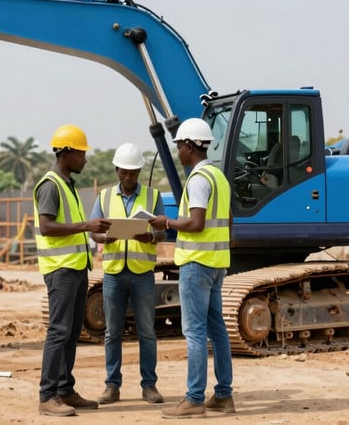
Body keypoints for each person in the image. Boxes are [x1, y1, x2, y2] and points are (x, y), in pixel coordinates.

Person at [149, 118, 235, 419]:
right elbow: (229, 220)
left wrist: (166, 223)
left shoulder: (198, 178)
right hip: (215, 264)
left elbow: (196, 223)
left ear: (188, 145)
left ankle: (194, 399)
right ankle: (224, 395)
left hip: (197, 264)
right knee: (217, 330)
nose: (177, 152)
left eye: (179, 146)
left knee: (195, 332)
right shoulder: (219, 177)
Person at [35, 124, 112, 417]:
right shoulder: (51, 185)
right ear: (65, 153)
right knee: (58, 331)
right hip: (61, 269)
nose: (85, 159)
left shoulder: (67, 184)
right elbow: (47, 227)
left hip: (77, 267)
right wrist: (87, 226)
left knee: (70, 333)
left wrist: (95, 233)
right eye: (81, 153)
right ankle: (47, 395)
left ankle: (65, 389)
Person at [89, 143, 167, 406]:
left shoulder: (153, 197)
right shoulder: (104, 197)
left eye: (133, 172)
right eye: (124, 172)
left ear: (139, 172)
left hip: (142, 272)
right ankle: (112, 386)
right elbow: (94, 231)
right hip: (113, 273)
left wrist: (152, 236)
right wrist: (105, 238)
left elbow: (163, 231)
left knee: (146, 331)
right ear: (116, 170)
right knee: (112, 332)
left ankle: (149, 385)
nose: (128, 177)